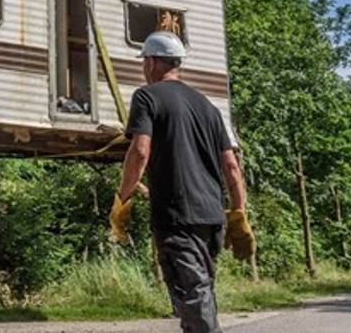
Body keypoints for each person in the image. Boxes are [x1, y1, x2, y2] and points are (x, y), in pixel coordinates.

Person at [109, 30, 255, 333]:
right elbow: (231, 165)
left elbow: (139, 152)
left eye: (144, 63)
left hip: (178, 217)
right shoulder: (209, 107)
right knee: (197, 292)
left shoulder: (147, 96)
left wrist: (121, 202)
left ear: (151, 62)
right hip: (211, 216)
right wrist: (238, 213)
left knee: (193, 293)